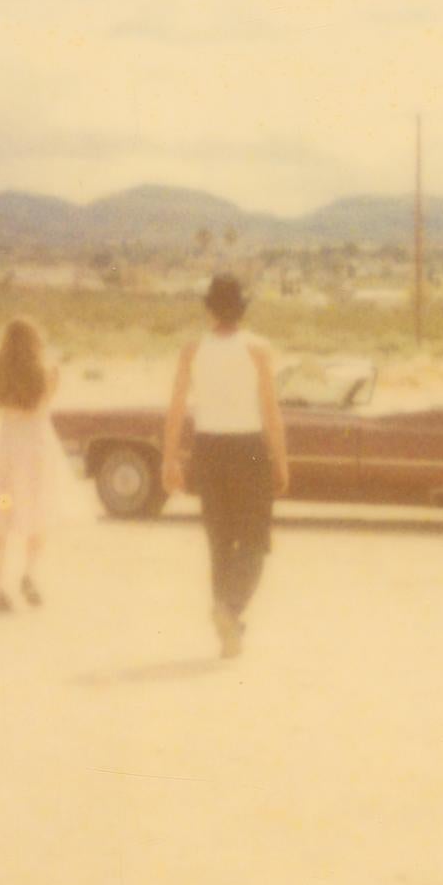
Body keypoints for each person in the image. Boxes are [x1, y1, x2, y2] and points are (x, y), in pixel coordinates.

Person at [162, 274, 289, 657]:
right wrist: (281, 459)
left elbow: (177, 407)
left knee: (220, 541)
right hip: (248, 447)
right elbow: (271, 411)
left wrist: (169, 457)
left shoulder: (191, 350)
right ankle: (229, 609)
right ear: (243, 308)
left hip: (207, 448)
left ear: (209, 308)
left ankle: (228, 630)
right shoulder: (257, 349)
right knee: (254, 541)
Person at [0, 317, 61, 613]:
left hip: (4, 453)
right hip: (35, 451)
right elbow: (44, 406)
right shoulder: (48, 372)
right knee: (37, 511)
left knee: (2, 513)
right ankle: (29, 574)